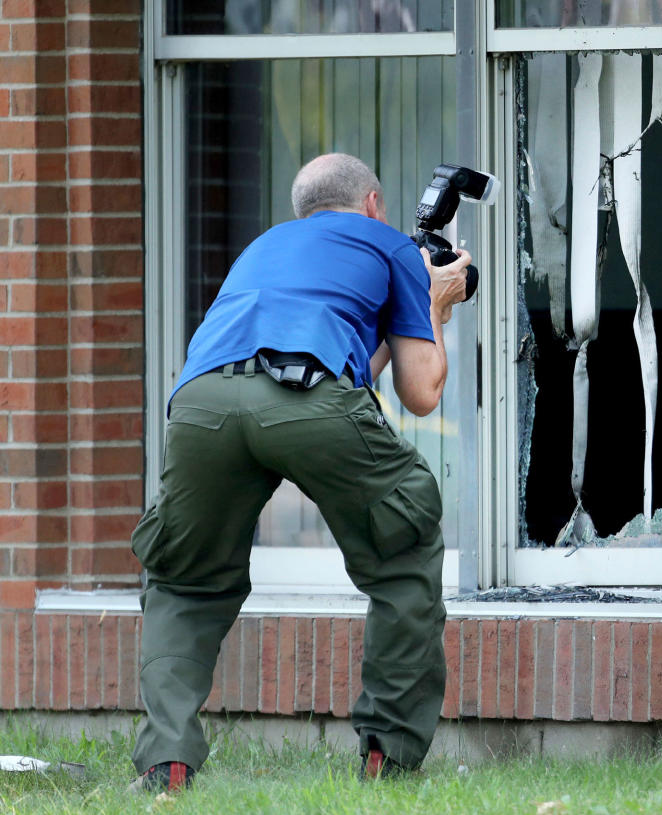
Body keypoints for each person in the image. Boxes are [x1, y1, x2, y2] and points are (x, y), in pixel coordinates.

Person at [128, 153, 472, 791]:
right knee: (403, 546)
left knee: (184, 579)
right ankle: (386, 758)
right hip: (305, 399)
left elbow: (349, 374)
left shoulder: (264, 246)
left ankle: (166, 763)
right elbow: (420, 392)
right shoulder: (391, 245)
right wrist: (436, 299)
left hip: (201, 403)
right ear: (372, 202)